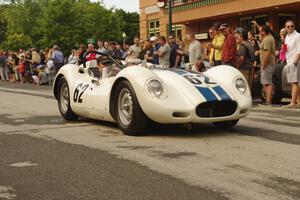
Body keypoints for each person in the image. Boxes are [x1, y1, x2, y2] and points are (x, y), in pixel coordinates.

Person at [282, 20, 300, 108]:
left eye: (291, 26)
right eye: (288, 26)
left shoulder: (298, 36)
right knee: (293, 82)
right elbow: (285, 49)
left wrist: (295, 62)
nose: (290, 28)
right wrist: (282, 56)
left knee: (294, 82)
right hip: (289, 61)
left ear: (294, 26)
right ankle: (298, 101)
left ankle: (293, 102)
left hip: (294, 61)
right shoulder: (287, 37)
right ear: (285, 28)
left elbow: (299, 50)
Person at [259, 25, 276, 105]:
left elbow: (267, 53)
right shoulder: (269, 38)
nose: (259, 32)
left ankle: (268, 100)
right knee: (265, 82)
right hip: (269, 63)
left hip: (267, 64)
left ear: (264, 32)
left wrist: (264, 64)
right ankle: (268, 100)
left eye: (260, 31)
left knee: (267, 82)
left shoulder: (267, 39)